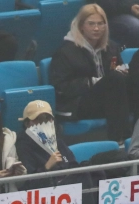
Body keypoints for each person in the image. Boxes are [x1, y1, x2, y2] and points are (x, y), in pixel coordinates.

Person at [50, 5, 132, 143]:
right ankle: (119, 139)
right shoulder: (65, 52)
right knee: (114, 80)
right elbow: (61, 87)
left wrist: (125, 70)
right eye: (91, 24)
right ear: (81, 26)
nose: (96, 28)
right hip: (78, 103)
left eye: (101, 24)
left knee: (137, 79)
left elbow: (118, 69)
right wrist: (93, 82)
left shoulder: (111, 47)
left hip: (108, 99)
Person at [16, 100, 80, 179]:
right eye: (38, 119)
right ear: (27, 123)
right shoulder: (22, 147)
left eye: (48, 118)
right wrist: (47, 167)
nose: (44, 123)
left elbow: (73, 164)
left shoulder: (58, 141)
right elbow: (28, 183)